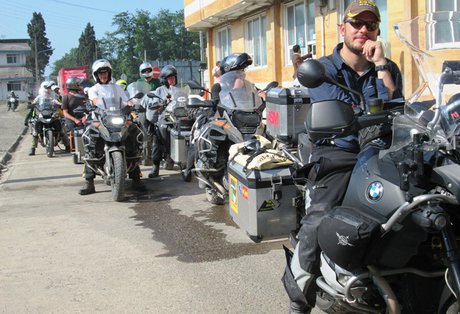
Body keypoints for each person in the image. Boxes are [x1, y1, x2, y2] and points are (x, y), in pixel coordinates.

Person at [282, 1, 404, 313]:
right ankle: (299, 297)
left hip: (380, 149)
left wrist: (380, 68)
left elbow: (396, 105)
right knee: (320, 214)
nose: (363, 30)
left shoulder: (386, 67)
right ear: (343, 29)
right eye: (356, 24)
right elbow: (345, 114)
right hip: (338, 151)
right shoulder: (322, 69)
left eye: (370, 25)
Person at [79, 58, 146, 195]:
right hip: (100, 119)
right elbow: (95, 101)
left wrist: (131, 104)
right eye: (100, 73)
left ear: (109, 74)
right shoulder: (94, 89)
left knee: (134, 135)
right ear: (96, 75)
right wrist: (92, 104)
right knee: (89, 140)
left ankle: (136, 178)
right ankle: (89, 182)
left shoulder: (117, 88)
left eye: (105, 73)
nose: (103, 75)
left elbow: (125, 102)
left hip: (117, 118)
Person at [148, 65, 178, 178]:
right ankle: (155, 166)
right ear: (165, 80)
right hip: (164, 117)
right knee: (158, 137)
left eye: (173, 78)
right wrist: (162, 104)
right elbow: (155, 107)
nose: (172, 80)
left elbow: (186, 100)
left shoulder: (180, 90)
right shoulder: (159, 90)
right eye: (169, 78)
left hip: (179, 118)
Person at [28, 81, 64, 156]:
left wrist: (60, 104)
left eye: (49, 87)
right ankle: (33, 148)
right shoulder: (39, 97)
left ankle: (67, 145)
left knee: (61, 126)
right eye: (47, 88)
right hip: (42, 114)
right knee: (35, 131)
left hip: (51, 113)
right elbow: (34, 102)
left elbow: (56, 101)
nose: (48, 89)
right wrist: (32, 104)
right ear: (43, 88)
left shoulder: (52, 96)